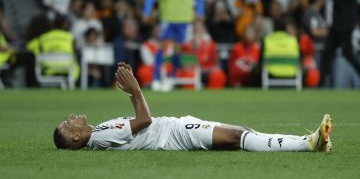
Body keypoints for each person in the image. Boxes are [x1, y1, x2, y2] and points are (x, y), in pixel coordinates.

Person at [53, 62, 333, 152]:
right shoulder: (100, 136)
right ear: (76, 137)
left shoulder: (99, 132)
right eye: (68, 125)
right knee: (238, 136)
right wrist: (136, 90)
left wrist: (133, 93)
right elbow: (144, 121)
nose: (70, 118)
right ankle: (309, 144)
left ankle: (308, 141)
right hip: (174, 133)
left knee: (242, 133)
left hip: (174, 130)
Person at [143, 0, 205, 91]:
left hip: (184, 18)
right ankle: (156, 79)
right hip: (167, 17)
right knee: (162, 46)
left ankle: (172, 77)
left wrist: (200, 11)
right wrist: (147, 10)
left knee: (178, 49)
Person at [320, 0, 360, 86]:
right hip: (336, 27)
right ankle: (320, 84)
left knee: (349, 55)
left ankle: (321, 83)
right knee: (327, 55)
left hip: (345, 28)